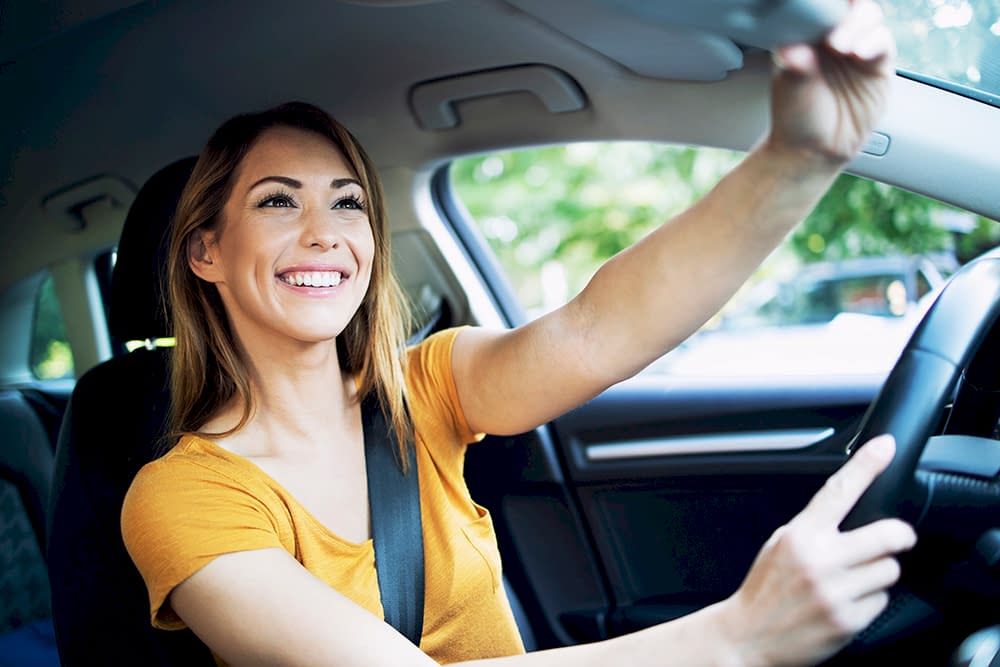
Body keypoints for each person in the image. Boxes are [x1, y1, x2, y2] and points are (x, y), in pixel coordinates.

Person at [121, 2, 916, 665]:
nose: (326, 232)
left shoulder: (425, 386)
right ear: (207, 251)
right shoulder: (180, 497)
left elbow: (595, 329)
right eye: (278, 201)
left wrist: (799, 158)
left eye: (349, 202)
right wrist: (736, 635)